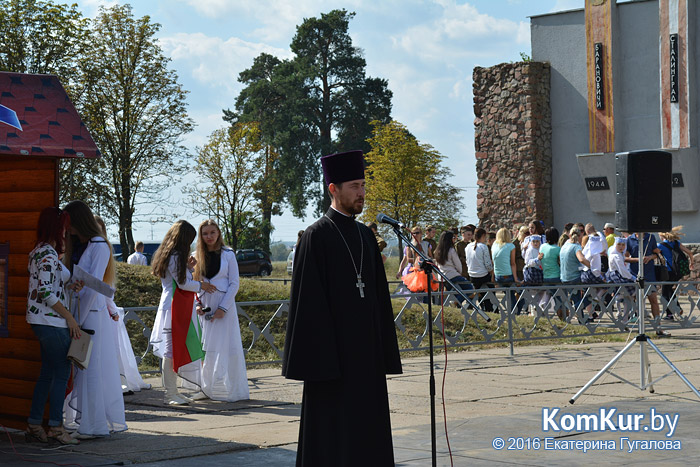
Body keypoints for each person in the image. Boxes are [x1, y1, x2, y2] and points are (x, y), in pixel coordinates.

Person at [282, 150, 402, 466]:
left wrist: (382, 350)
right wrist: (324, 361)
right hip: (332, 365)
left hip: (367, 362)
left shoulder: (365, 235)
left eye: (363, 185)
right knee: (333, 444)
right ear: (333, 189)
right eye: (354, 186)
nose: (361, 192)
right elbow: (308, 308)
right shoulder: (315, 237)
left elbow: (378, 299)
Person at [62, 200, 127, 438]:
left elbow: (94, 286)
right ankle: (89, 423)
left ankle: (94, 425)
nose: (66, 228)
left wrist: (76, 319)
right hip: (83, 312)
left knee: (91, 370)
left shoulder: (98, 245)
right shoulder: (85, 244)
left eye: (68, 223)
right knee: (85, 370)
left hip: (90, 314)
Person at [26, 207, 83, 445]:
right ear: (57, 227)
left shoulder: (39, 251)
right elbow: (47, 293)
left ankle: (35, 423)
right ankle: (56, 428)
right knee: (61, 373)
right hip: (51, 321)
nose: (67, 230)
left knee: (47, 373)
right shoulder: (49, 255)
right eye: (64, 225)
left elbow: (49, 289)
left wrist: (69, 287)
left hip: (42, 320)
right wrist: (70, 318)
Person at [151, 220, 217, 405]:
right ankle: (171, 393)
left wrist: (188, 268)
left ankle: (173, 392)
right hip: (174, 307)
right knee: (171, 350)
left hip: (173, 305)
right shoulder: (175, 256)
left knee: (173, 349)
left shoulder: (170, 255)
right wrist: (201, 285)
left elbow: (178, 279)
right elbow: (182, 283)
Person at [192, 219, 250, 402]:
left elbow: (234, 283)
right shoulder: (196, 256)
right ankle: (205, 388)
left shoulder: (228, 254)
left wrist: (223, 308)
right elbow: (193, 284)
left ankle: (235, 390)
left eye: (212, 233)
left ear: (218, 233)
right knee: (206, 349)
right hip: (205, 307)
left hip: (225, 305)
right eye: (205, 233)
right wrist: (198, 304)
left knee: (230, 348)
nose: (209, 237)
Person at [94, 216, 150, 395]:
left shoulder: (102, 249)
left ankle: (116, 381)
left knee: (112, 348)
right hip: (99, 304)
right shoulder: (99, 249)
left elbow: (107, 285)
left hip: (104, 304)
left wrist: (111, 307)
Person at [626, 232, 670, 337]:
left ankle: (658, 328)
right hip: (635, 274)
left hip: (649, 275)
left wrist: (650, 257)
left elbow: (657, 253)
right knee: (635, 302)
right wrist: (638, 259)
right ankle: (636, 329)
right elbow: (625, 257)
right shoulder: (630, 239)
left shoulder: (651, 237)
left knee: (654, 300)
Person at [657, 226, 695, 320]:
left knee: (665, 293)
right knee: (670, 290)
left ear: (662, 236)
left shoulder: (660, 245)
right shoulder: (676, 243)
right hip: (677, 271)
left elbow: (654, 253)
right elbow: (690, 252)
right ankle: (677, 309)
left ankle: (670, 314)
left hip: (668, 272)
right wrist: (691, 263)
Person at [491, 227, 521, 314]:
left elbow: (493, 262)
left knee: (510, 295)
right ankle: (515, 313)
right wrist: (516, 278)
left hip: (498, 276)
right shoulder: (511, 246)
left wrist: (493, 277)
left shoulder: (494, 245)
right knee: (522, 292)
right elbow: (512, 263)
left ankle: (513, 313)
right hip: (508, 275)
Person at [433, 230, 472, 296]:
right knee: (470, 289)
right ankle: (456, 301)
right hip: (453, 275)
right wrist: (459, 273)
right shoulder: (451, 250)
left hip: (442, 277)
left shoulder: (437, 251)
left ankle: (454, 301)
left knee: (454, 292)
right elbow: (458, 264)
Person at [466, 228, 494, 312]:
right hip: (482, 275)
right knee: (491, 293)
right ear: (483, 236)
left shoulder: (468, 246)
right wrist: (492, 271)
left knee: (480, 294)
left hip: (472, 275)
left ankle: (481, 308)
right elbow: (488, 265)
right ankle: (491, 309)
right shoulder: (483, 247)